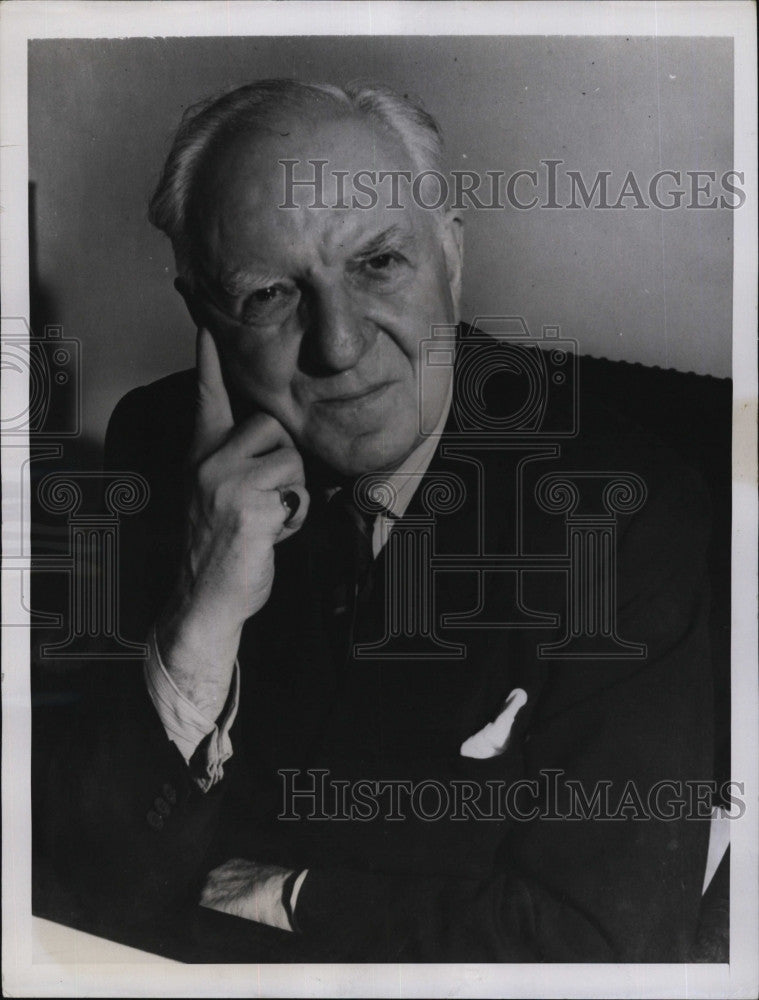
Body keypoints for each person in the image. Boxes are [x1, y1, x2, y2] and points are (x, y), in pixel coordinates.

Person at [43, 79, 715, 963]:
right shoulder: (160, 444)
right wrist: (200, 619)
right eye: (268, 295)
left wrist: (290, 895)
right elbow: (84, 886)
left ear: (451, 257)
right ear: (202, 314)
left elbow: (601, 945)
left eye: (377, 264)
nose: (339, 345)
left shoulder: (629, 509)